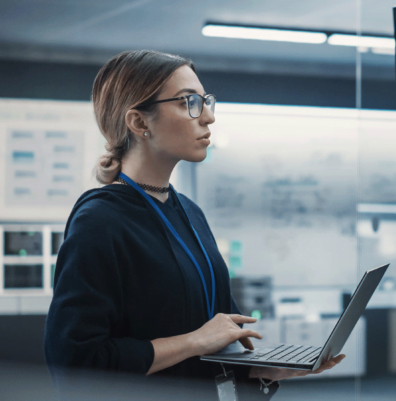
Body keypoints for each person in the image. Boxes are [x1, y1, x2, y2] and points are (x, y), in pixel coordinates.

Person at [44, 50, 345, 399]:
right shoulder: (99, 222)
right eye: (190, 102)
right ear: (140, 123)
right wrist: (193, 341)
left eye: (206, 101)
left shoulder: (189, 211)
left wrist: (260, 367)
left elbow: (211, 343)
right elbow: (74, 363)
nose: (209, 117)